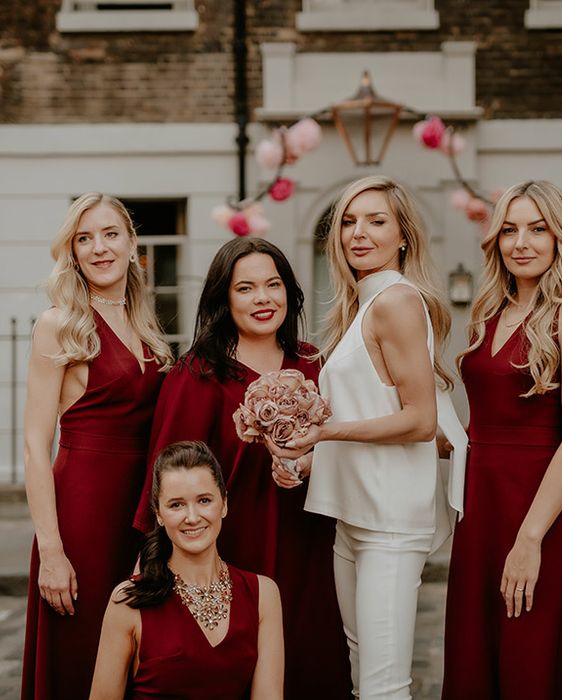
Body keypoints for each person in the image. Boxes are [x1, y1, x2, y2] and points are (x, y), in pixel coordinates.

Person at [269, 175, 465, 699]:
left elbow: (421, 421)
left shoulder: (397, 301)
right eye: (348, 222)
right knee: (362, 675)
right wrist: (307, 461)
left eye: (376, 221)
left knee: (383, 687)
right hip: (354, 516)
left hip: (390, 524)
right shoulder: (363, 304)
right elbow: (373, 411)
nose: (359, 233)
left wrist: (324, 432)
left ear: (403, 235)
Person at [133, 236, 350, 699]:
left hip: (307, 540)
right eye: (246, 288)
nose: (263, 298)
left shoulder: (312, 364)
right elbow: (167, 472)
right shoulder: (198, 373)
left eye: (273, 285)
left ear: (289, 293)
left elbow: (342, 446)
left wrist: (309, 462)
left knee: (310, 656)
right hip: (231, 549)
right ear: (223, 298)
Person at [442, 181, 562, 699]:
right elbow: (478, 424)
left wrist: (530, 538)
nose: (522, 242)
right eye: (510, 229)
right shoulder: (487, 314)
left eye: (538, 229)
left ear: (560, 238)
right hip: (482, 512)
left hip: (543, 512)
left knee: (532, 657)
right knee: (481, 655)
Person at [21, 193, 172, 700]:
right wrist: (53, 554)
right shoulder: (59, 323)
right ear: (73, 252)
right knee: (81, 651)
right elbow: (34, 445)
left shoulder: (147, 327)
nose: (99, 248)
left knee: (138, 656)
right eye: (84, 238)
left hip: (141, 512)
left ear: (133, 245)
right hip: (83, 511)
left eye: (110, 234)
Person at [90, 440, 283, 699]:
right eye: (176, 505)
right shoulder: (127, 602)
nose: (192, 517)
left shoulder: (263, 595)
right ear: (158, 514)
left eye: (204, 500)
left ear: (224, 504)